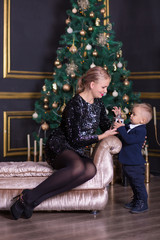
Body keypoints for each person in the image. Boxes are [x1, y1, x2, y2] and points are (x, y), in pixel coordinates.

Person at [10, 66, 118, 220]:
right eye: (103, 87)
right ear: (92, 85)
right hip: (59, 145)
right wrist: (100, 137)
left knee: (90, 170)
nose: (105, 91)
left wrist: (119, 124)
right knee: (78, 167)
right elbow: (75, 139)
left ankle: (33, 200)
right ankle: (26, 199)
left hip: (76, 150)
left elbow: (106, 126)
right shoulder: (75, 104)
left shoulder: (98, 104)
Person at [113, 103, 152, 214]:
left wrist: (121, 129)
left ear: (142, 120)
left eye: (134, 114)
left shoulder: (141, 130)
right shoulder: (130, 126)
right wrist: (118, 117)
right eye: (131, 113)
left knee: (138, 184)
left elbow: (128, 139)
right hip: (128, 162)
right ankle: (136, 199)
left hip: (135, 163)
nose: (130, 116)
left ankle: (143, 202)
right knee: (133, 184)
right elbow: (121, 128)